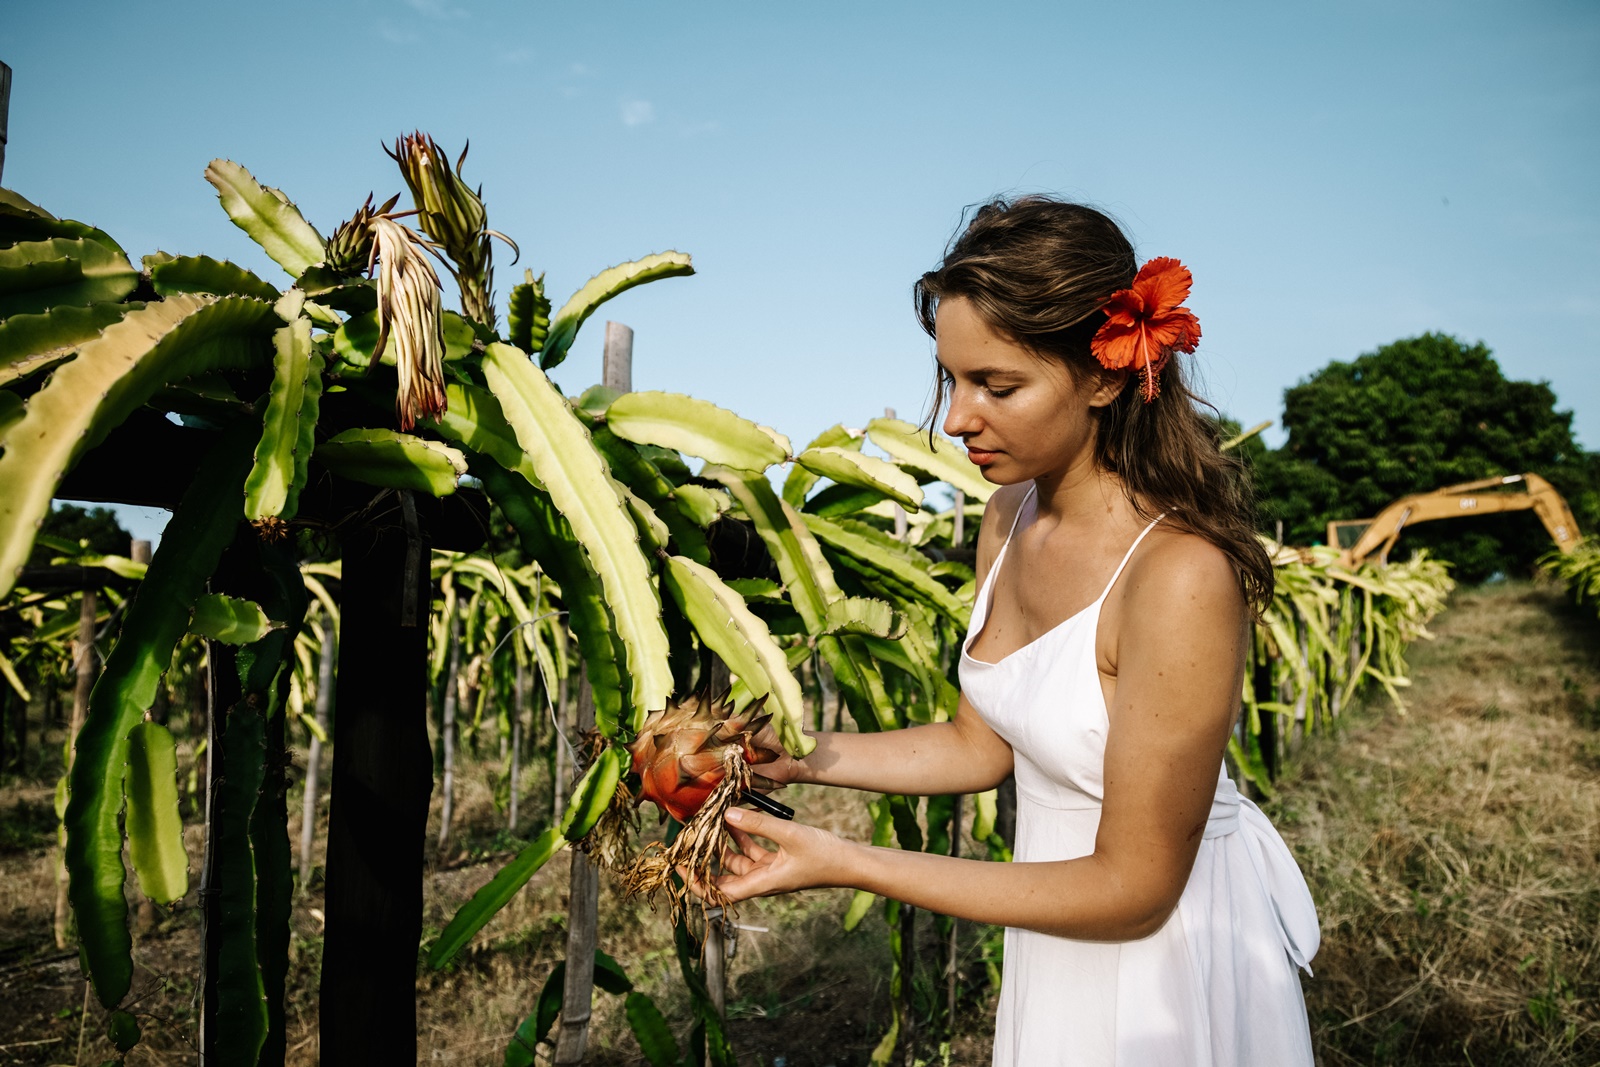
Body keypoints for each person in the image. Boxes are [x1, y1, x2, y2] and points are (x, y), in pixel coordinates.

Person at [705, 196, 1320, 1065]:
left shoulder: (1178, 575)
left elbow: (1134, 888)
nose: (956, 418)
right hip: (1054, 920)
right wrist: (801, 756)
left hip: (1164, 958)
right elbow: (980, 743)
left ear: (1106, 377)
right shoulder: (1009, 514)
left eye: (997, 385)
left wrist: (847, 859)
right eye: (951, 379)